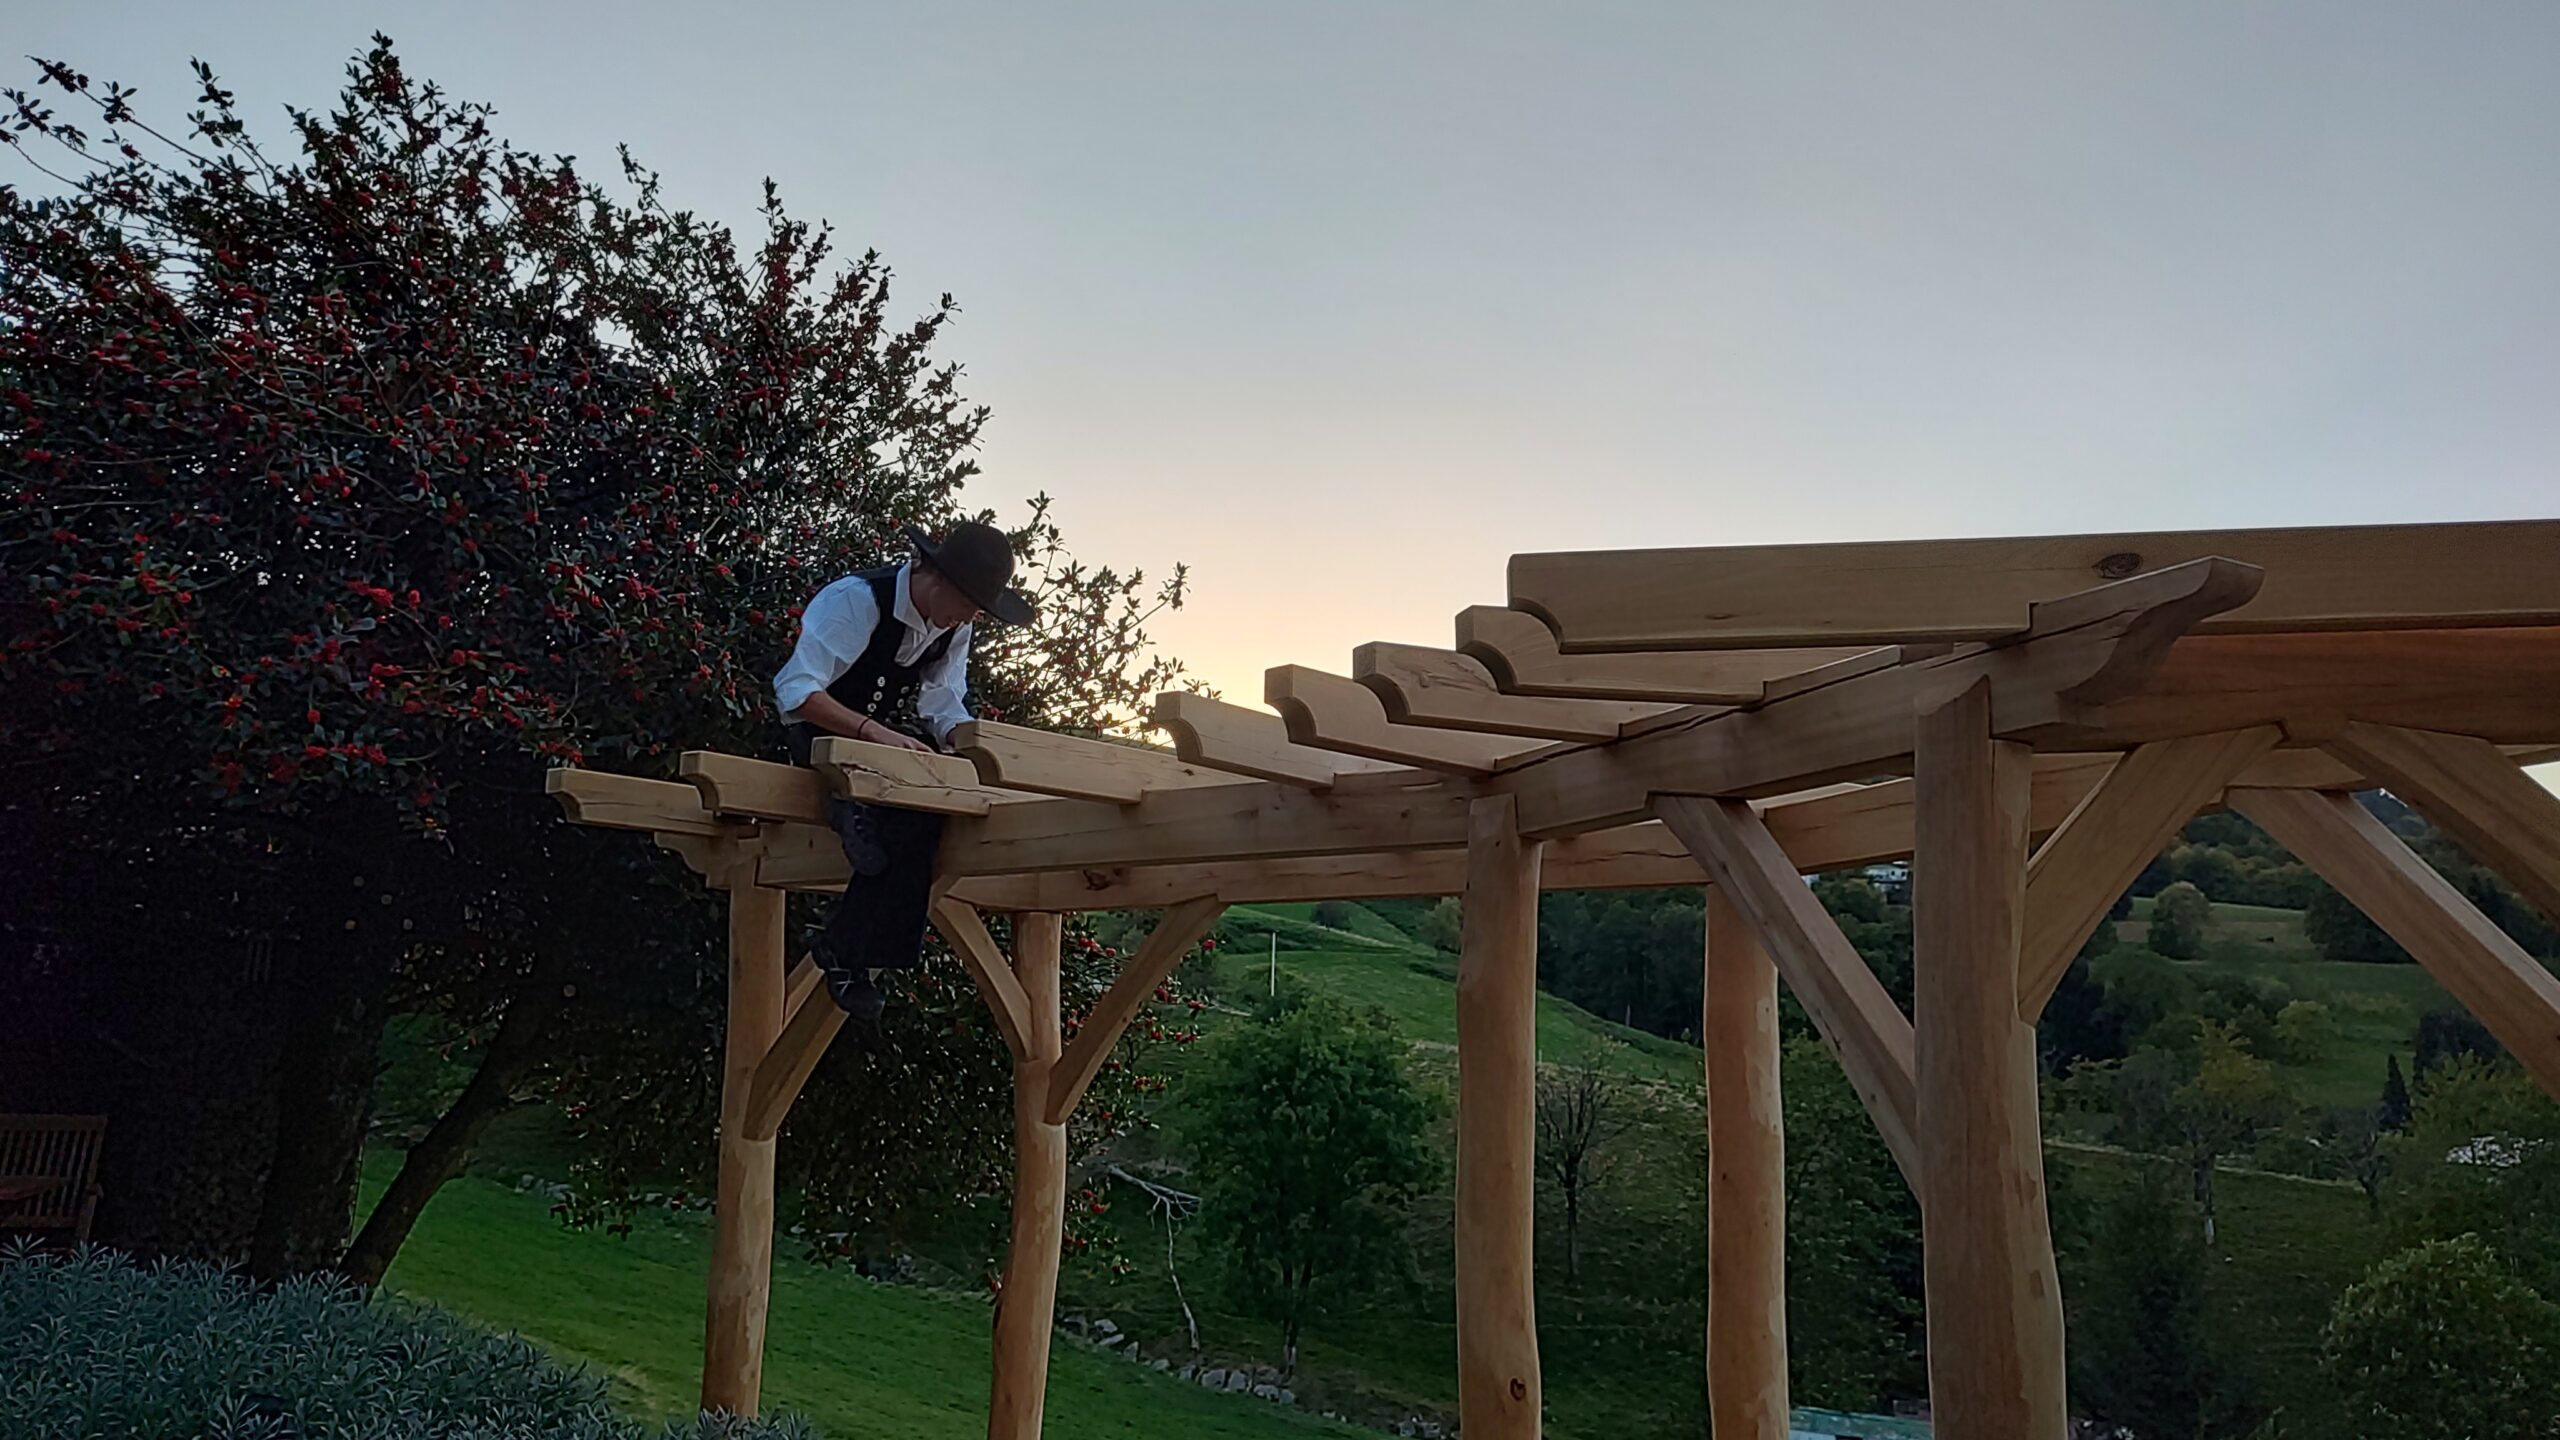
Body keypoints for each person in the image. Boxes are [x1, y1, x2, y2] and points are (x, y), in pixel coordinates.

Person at [773, 521, 1034, 1020]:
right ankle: (850, 809)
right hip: (817, 740)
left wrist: (971, 749)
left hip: (878, 749)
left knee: (929, 813)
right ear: (933, 577)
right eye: (969, 602)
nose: (970, 617)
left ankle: (848, 949)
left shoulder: (955, 626)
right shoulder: (856, 600)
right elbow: (796, 691)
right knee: (893, 826)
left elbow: (943, 703)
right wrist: (873, 732)